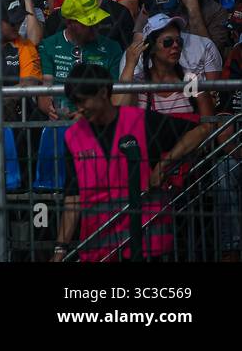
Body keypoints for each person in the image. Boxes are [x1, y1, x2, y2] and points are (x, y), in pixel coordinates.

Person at [52, 64, 211, 262]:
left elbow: (200, 131)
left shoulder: (140, 121)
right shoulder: (73, 136)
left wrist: (165, 164)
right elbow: (73, 197)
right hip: (100, 246)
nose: (79, 108)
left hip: (147, 241)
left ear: (103, 92)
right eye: (75, 103)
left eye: (83, 101)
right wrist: (60, 249)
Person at [37, 0, 126, 119]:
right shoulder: (48, 45)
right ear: (69, 22)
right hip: (61, 119)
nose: (94, 27)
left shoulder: (112, 48)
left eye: (95, 21)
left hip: (99, 119)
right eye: (87, 23)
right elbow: (45, 90)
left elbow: (114, 94)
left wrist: (85, 113)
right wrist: (49, 108)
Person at [116, 16, 214, 117]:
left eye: (179, 41)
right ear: (152, 47)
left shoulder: (191, 80)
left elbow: (207, 124)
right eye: (168, 42)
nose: (176, 46)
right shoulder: (138, 82)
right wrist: (130, 64)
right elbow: (118, 111)